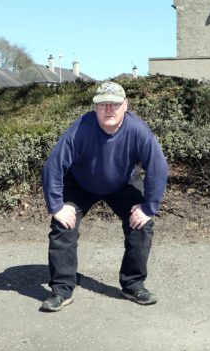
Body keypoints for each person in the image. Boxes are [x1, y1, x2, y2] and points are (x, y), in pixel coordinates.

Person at [40, 81, 168, 312]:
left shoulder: (137, 130)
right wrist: (56, 206)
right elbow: (53, 166)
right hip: (80, 183)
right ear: (94, 108)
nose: (109, 110)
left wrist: (149, 207)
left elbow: (158, 167)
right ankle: (61, 289)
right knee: (63, 227)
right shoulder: (80, 129)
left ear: (125, 105)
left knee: (141, 224)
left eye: (115, 104)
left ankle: (132, 285)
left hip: (122, 183)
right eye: (102, 105)